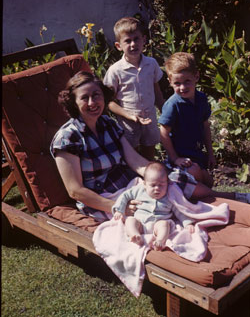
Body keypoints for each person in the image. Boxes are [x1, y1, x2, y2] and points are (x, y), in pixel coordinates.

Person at [50, 71, 249, 223]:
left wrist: (161, 175)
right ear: (74, 103)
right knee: (158, 208)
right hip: (103, 198)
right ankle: (225, 203)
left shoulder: (107, 124)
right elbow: (75, 191)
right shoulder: (68, 138)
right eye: (85, 98)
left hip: (129, 184)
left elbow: (135, 161)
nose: (93, 102)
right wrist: (118, 207)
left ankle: (233, 198)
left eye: (97, 95)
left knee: (175, 179)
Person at [103, 17, 164, 161]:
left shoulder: (151, 64)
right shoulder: (115, 70)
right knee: (132, 157)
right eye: (127, 41)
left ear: (144, 40)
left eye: (136, 39)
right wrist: (128, 115)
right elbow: (108, 102)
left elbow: (157, 90)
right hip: (128, 123)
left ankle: (152, 180)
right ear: (118, 46)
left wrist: (164, 110)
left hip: (149, 118)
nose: (133, 44)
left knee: (149, 155)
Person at [159, 52, 215, 188]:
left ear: (196, 76)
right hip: (181, 157)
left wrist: (210, 152)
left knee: (209, 182)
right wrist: (175, 158)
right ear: (170, 82)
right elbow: (163, 133)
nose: (182, 87)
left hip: (196, 153)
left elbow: (205, 125)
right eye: (177, 83)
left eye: (187, 82)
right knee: (196, 175)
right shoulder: (173, 105)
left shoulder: (201, 99)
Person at [112, 162, 195, 250]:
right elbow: (125, 196)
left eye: (161, 185)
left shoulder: (170, 196)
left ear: (167, 183)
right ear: (145, 184)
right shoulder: (139, 190)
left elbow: (179, 209)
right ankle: (135, 235)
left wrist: (187, 223)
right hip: (140, 222)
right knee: (130, 220)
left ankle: (160, 241)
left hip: (158, 224)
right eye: (153, 185)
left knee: (164, 224)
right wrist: (119, 210)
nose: (157, 188)